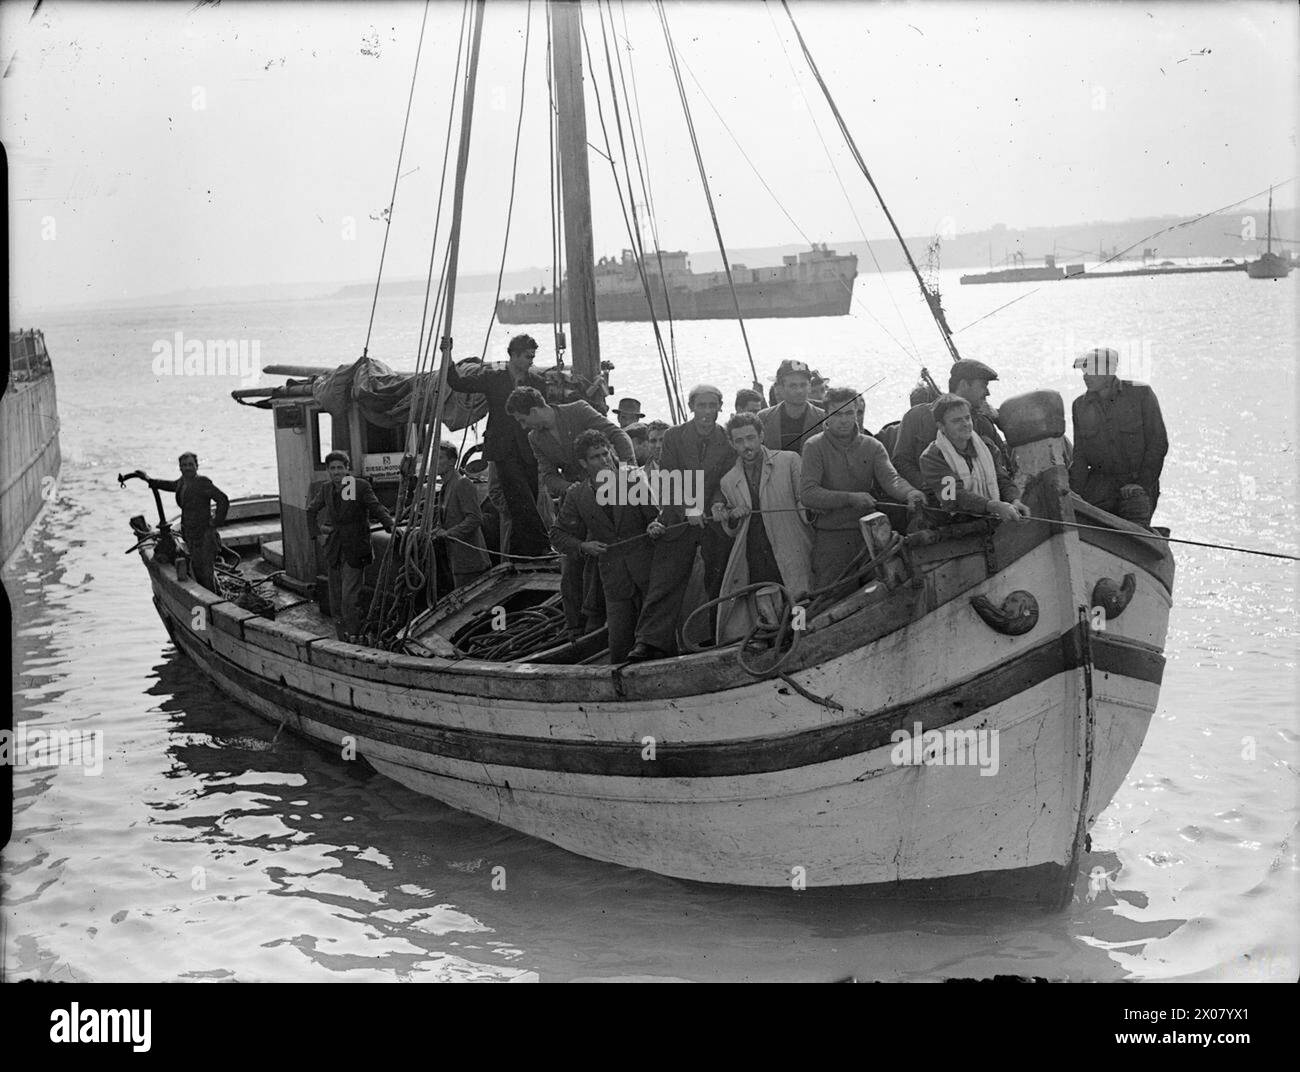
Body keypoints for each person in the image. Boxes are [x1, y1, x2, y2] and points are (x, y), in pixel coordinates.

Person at [507, 386, 634, 632]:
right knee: (571, 566)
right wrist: (572, 488)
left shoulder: (578, 410)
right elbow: (547, 475)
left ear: (534, 410)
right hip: (578, 499)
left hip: (612, 488)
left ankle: (614, 618)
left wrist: (628, 472)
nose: (524, 427)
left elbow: (618, 436)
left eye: (523, 420)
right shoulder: (536, 438)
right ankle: (576, 627)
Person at [627, 384, 735, 661]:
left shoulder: (726, 439)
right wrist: (691, 507)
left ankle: (716, 636)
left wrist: (717, 502)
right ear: (692, 407)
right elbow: (669, 475)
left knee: (717, 579)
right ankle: (649, 642)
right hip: (678, 516)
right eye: (702, 405)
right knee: (665, 581)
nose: (707, 411)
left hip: (712, 521)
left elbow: (724, 479)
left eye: (713, 406)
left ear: (720, 408)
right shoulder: (674, 436)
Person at [550, 431, 661, 661]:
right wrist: (583, 546)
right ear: (583, 463)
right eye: (596, 457)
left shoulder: (632, 480)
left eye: (606, 453)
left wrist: (654, 526)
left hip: (647, 572)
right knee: (619, 646)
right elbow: (557, 535)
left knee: (658, 641)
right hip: (613, 580)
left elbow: (655, 516)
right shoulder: (577, 495)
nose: (605, 460)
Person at [801, 387, 926, 589]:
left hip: (872, 537)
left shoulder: (873, 445)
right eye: (837, 414)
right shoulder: (814, 446)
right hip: (833, 540)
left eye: (849, 413)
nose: (844, 420)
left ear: (857, 413)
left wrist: (910, 493)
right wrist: (850, 498)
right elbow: (808, 494)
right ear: (826, 415)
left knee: (887, 591)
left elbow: (892, 479)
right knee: (833, 600)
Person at [444, 333, 551, 558]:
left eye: (533, 357)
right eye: (527, 356)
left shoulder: (538, 383)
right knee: (519, 496)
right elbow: (457, 382)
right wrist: (447, 355)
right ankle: (540, 546)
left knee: (527, 498)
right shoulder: (493, 378)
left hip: (529, 448)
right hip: (503, 449)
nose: (531, 361)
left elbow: (545, 415)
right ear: (512, 355)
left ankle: (522, 553)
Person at [711, 413, 814, 641]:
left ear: (761, 436)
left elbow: (804, 501)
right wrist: (733, 517)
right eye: (739, 441)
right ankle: (778, 645)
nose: (746, 445)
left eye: (750, 437)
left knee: (799, 601)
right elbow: (733, 531)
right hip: (757, 557)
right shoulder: (728, 480)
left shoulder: (789, 460)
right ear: (731, 443)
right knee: (769, 607)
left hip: (791, 547)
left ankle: (802, 642)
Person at [1068, 347, 1168, 525]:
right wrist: (1072, 493)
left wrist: (1142, 484)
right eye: (1083, 371)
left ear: (1109, 371)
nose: (1085, 375)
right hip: (1101, 486)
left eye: (1091, 370)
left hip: (1137, 484)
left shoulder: (1141, 394)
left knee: (1134, 525)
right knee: (1080, 521)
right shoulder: (1080, 406)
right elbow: (1080, 456)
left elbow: (1158, 443)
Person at [306, 450, 395, 640]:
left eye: (340, 468)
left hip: (355, 550)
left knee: (349, 599)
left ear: (347, 469)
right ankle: (342, 638)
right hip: (334, 550)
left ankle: (354, 635)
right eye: (332, 468)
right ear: (328, 471)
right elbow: (311, 510)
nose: (336, 472)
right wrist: (317, 535)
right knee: (336, 600)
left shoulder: (357, 486)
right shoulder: (326, 489)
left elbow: (376, 507)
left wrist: (390, 525)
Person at [890, 359, 1010, 491]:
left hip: (981, 506)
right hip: (934, 505)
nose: (988, 392)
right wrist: (930, 488)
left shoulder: (983, 423)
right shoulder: (917, 417)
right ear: (964, 384)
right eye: (983, 385)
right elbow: (901, 461)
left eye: (966, 418)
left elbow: (1002, 469)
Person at [919, 394, 1029, 525]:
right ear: (941, 426)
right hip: (950, 526)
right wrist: (993, 506)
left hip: (990, 519)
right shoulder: (931, 457)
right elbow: (953, 496)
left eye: (967, 418)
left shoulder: (987, 446)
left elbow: (1002, 478)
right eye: (957, 420)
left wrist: (1014, 500)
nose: (965, 424)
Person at [131, 452, 229, 591]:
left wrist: (215, 522)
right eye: (184, 465)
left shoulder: (202, 482)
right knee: (198, 570)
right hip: (191, 535)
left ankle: (213, 600)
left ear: (197, 466)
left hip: (205, 537)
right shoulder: (182, 482)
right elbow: (170, 485)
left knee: (205, 573)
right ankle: (214, 593)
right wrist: (148, 479)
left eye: (190, 464)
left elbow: (222, 499)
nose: (187, 468)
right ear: (180, 468)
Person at [432, 442, 490, 591]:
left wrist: (448, 533)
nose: (435, 462)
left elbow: (475, 518)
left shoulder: (462, 484)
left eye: (439, 458)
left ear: (452, 462)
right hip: (457, 560)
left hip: (471, 562)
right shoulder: (446, 487)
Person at [756, 359, 826, 452]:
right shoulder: (763, 418)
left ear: (809, 387)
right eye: (793, 386)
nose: (799, 391)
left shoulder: (824, 418)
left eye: (803, 385)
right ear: (780, 389)